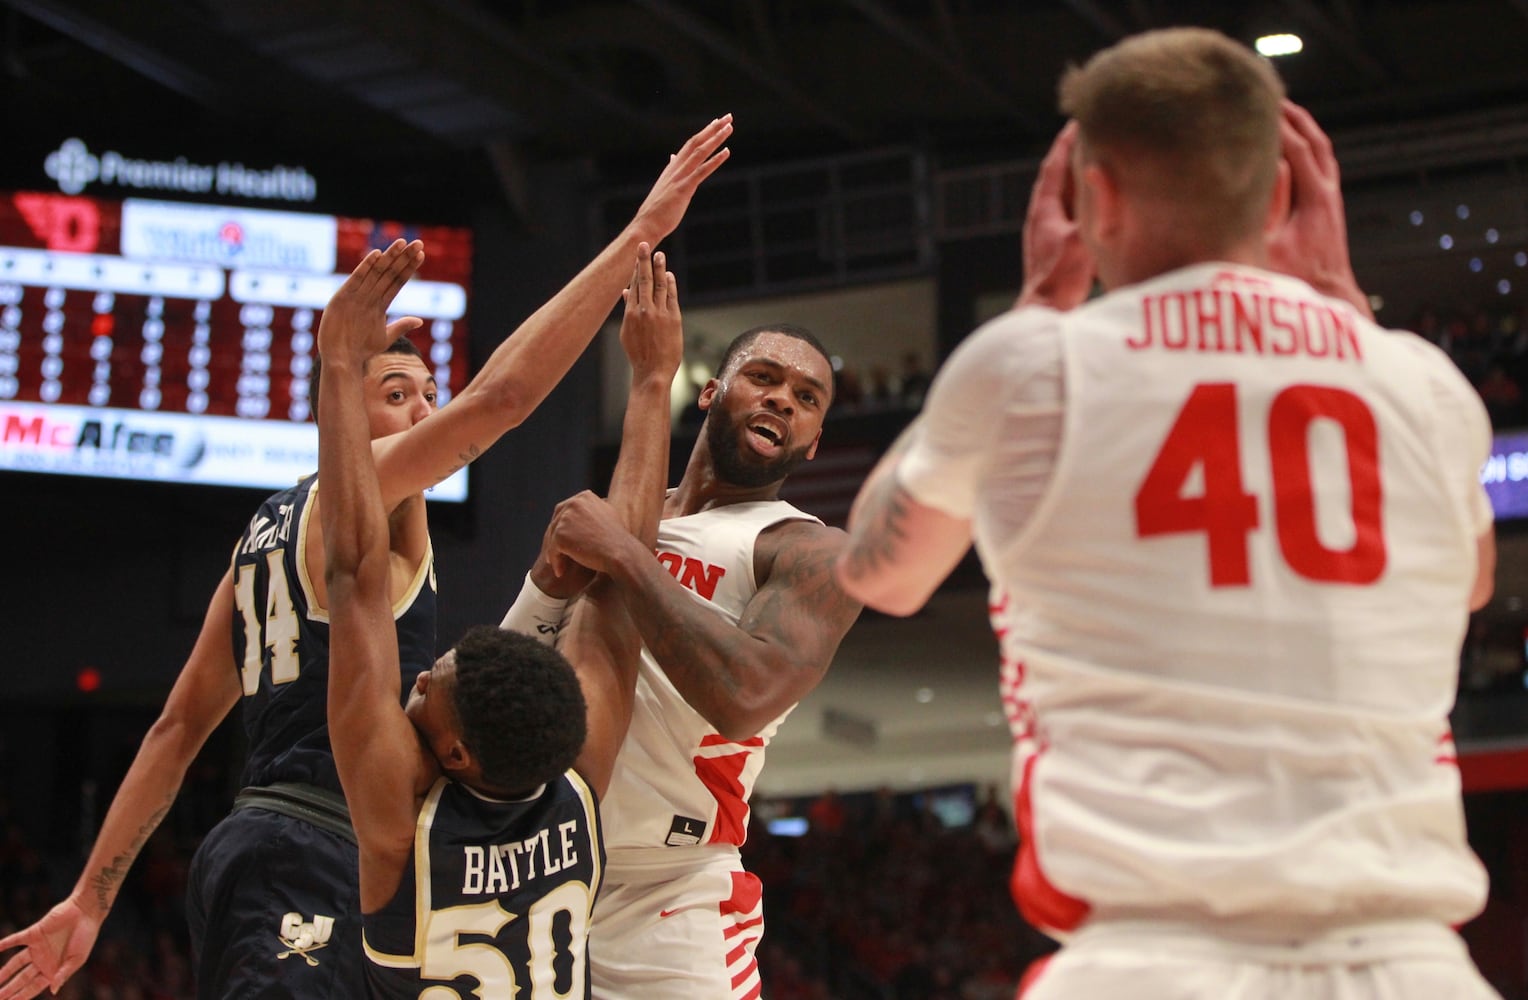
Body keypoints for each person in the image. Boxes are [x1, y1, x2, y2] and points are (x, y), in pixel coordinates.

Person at [0, 114, 732, 1000]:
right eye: (398, 394)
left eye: (428, 392)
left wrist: (90, 897)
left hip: (260, 846)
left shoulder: (259, 535)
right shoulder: (360, 498)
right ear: (348, 410)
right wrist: (640, 235)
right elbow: (503, 396)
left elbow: (176, 732)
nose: (426, 413)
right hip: (313, 848)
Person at [836, 27, 1499, 1000]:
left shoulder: (1033, 365)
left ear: (1093, 197)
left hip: (1151, 958)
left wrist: (1030, 306)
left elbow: (877, 572)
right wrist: (1345, 308)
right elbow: (1475, 579)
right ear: (1279, 196)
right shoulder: (1426, 384)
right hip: (1409, 961)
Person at [319, 238, 679, 996]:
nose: (415, 683)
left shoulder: (404, 830)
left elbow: (354, 579)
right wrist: (649, 386)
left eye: (426, 692)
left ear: (454, 756)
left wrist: (339, 370)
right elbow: (620, 590)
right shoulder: (576, 793)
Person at [501, 322, 863, 997]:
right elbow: (515, 683)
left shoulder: (807, 551)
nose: (782, 398)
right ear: (710, 392)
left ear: (814, 442)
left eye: (807, 397)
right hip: (537, 864)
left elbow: (744, 695)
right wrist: (544, 587)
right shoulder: (627, 520)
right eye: (764, 377)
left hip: (670, 892)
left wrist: (626, 559)